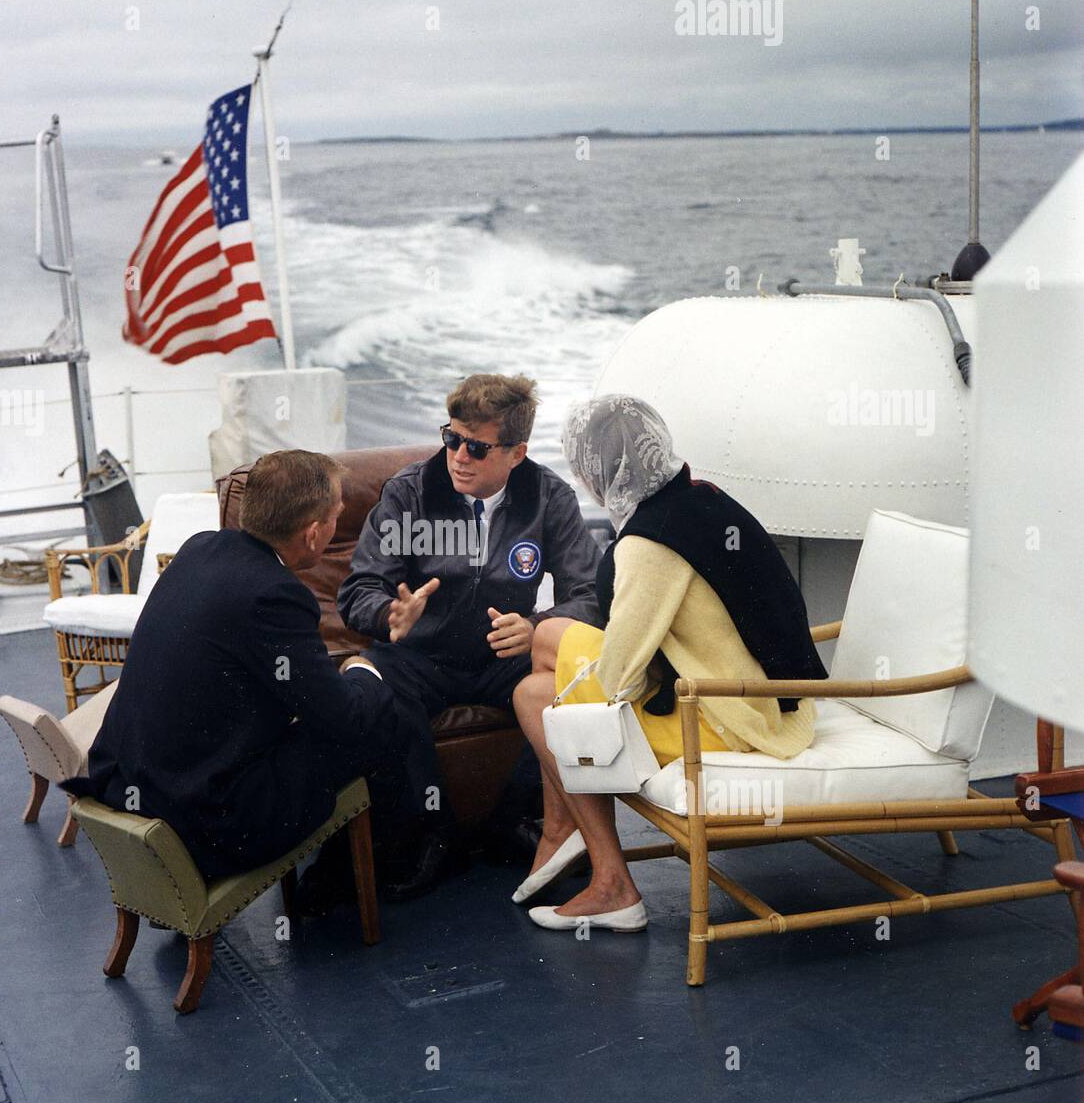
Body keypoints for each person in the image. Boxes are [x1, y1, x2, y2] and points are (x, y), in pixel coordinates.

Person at [510, 395, 826, 932]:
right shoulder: (705, 498)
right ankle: (589, 855)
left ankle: (592, 860)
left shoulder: (648, 544)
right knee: (542, 674)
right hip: (775, 705)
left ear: (597, 470)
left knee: (538, 679)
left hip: (729, 723)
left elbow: (617, 680)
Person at [63, 449, 422, 909]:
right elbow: (345, 719)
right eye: (335, 517)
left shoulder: (199, 550)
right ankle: (364, 877)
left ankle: (345, 871)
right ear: (313, 534)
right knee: (376, 720)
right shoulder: (275, 595)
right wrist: (366, 668)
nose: (336, 525)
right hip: (206, 818)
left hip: (129, 783)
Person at [337, 373, 604, 895]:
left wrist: (537, 628)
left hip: (502, 657)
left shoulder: (549, 496)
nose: (458, 455)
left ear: (516, 453)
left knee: (573, 678)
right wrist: (389, 613)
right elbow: (359, 588)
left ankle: (515, 821)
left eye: (477, 447)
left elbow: (592, 592)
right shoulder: (409, 491)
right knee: (379, 690)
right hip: (419, 656)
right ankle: (431, 838)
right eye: (451, 437)